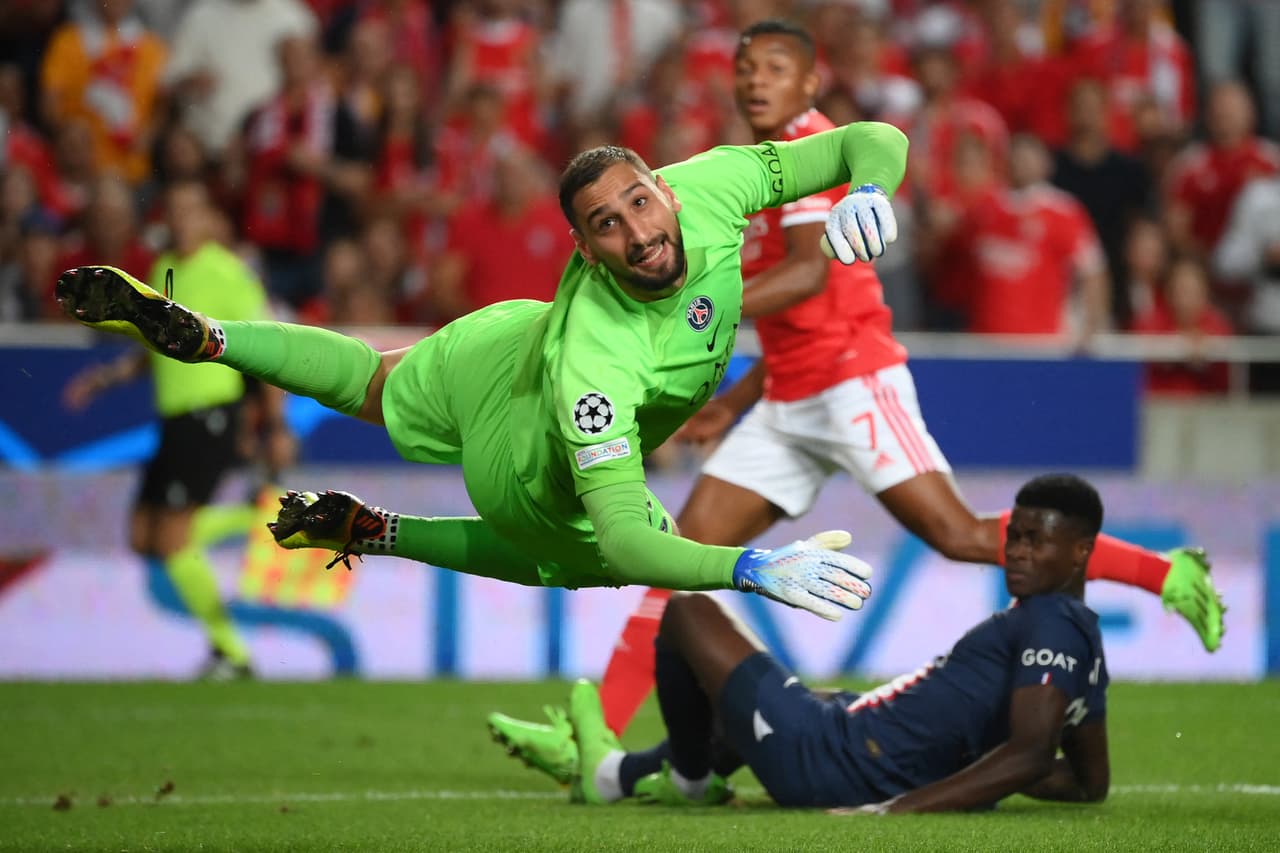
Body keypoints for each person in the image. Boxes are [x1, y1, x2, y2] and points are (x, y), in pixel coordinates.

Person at [533, 19, 1218, 743]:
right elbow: (792, 319)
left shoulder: (808, 147)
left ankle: (1167, 573)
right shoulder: (744, 166)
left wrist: (691, 311)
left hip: (852, 379)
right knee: (680, 555)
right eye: (746, 68)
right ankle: (595, 743)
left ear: (810, 82)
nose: (756, 81)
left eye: (775, 68)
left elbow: (807, 274)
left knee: (957, 533)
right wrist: (732, 403)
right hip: (789, 392)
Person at [56, 114, 909, 619]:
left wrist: (868, 189)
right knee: (611, 556)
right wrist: (747, 567)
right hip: (523, 452)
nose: (639, 232)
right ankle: (381, 529)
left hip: (506, 338)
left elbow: (872, 137)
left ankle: (212, 337)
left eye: (639, 202)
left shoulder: (716, 184)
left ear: (667, 189)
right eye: (607, 226)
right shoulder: (599, 368)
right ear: (584, 249)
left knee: (369, 379)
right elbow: (625, 537)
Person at [493, 474, 1110, 812]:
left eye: (1036, 541)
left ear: (1082, 552)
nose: (1017, 552)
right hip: (854, 740)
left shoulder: (1050, 624)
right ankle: (614, 775)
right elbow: (1088, 782)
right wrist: (951, 766)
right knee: (795, 697)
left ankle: (685, 781)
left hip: (835, 760)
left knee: (686, 611)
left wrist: (904, 805)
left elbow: (1032, 753)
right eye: (1015, 536)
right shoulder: (1081, 640)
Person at [61, 180, 292, 678]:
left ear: (209, 219)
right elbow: (153, 344)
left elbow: (271, 347)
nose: (183, 220)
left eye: (193, 210)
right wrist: (104, 380)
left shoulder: (228, 273)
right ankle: (257, 517)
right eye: (175, 210)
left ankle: (232, 653)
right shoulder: (161, 268)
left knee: (172, 540)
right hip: (173, 418)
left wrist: (276, 425)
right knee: (143, 536)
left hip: (211, 412)